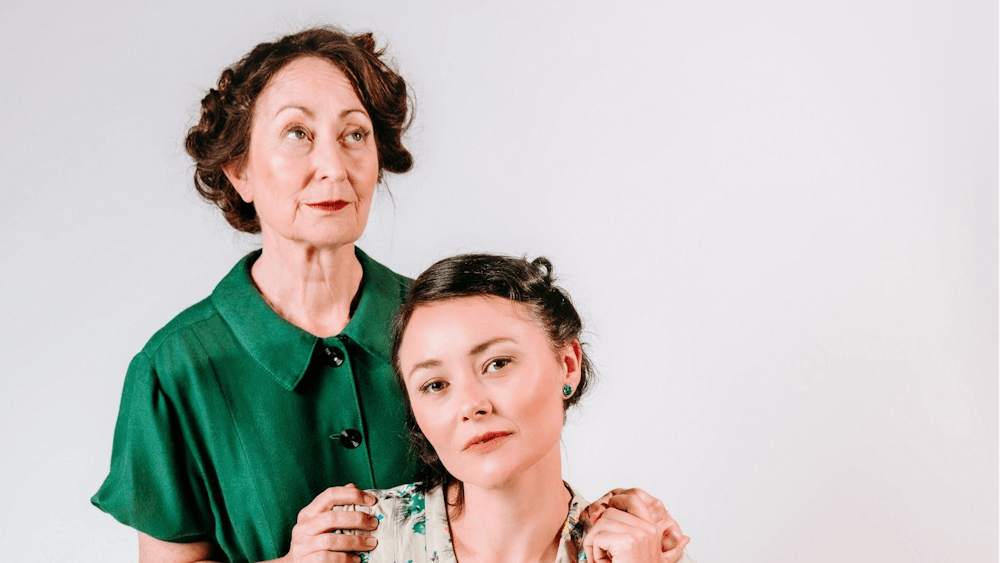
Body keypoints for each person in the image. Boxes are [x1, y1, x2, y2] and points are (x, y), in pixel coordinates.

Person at [92, 26, 686, 563]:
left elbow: (516, 503)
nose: (333, 164)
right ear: (238, 171)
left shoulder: (442, 327)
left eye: (354, 134)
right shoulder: (174, 369)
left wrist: (612, 529)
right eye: (297, 134)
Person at [349, 253, 693, 563]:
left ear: (568, 364)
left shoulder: (639, 555)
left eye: (497, 364)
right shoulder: (356, 544)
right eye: (435, 385)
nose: (471, 405)